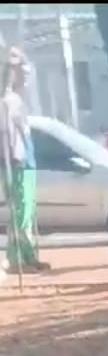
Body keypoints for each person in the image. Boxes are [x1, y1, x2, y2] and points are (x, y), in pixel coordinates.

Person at [1, 47, 49, 274]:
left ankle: (29, 256)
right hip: (17, 163)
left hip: (27, 163)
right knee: (19, 213)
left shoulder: (18, 100)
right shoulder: (6, 101)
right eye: (21, 69)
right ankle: (17, 258)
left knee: (27, 212)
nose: (26, 74)